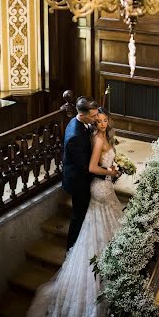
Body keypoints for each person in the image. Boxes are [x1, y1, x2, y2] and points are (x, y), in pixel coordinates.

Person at [28, 108, 122, 317]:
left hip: (105, 189)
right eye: (97, 119)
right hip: (99, 189)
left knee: (105, 227)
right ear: (91, 119)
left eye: (104, 119)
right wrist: (111, 172)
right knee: (93, 229)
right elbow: (92, 166)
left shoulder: (97, 134)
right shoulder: (96, 139)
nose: (101, 122)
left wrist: (114, 166)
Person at [62, 96, 99, 250]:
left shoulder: (79, 122)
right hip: (78, 182)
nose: (96, 118)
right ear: (82, 115)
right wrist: (105, 173)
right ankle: (71, 249)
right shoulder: (75, 136)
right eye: (93, 116)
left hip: (78, 174)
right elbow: (85, 167)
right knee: (78, 216)